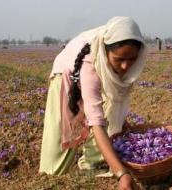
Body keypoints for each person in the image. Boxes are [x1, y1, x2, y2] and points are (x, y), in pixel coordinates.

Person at [39, 16, 147, 190]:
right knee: (59, 149)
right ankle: (52, 174)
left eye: (132, 59)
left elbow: (114, 103)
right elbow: (96, 121)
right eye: (119, 59)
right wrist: (122, 173)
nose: (126, 66)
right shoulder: (91, 64)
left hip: (93, 72)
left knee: (108, 115)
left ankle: (92, 161)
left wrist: (121, 122)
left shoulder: (123, 62)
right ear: (106, 52)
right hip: (67, 76)